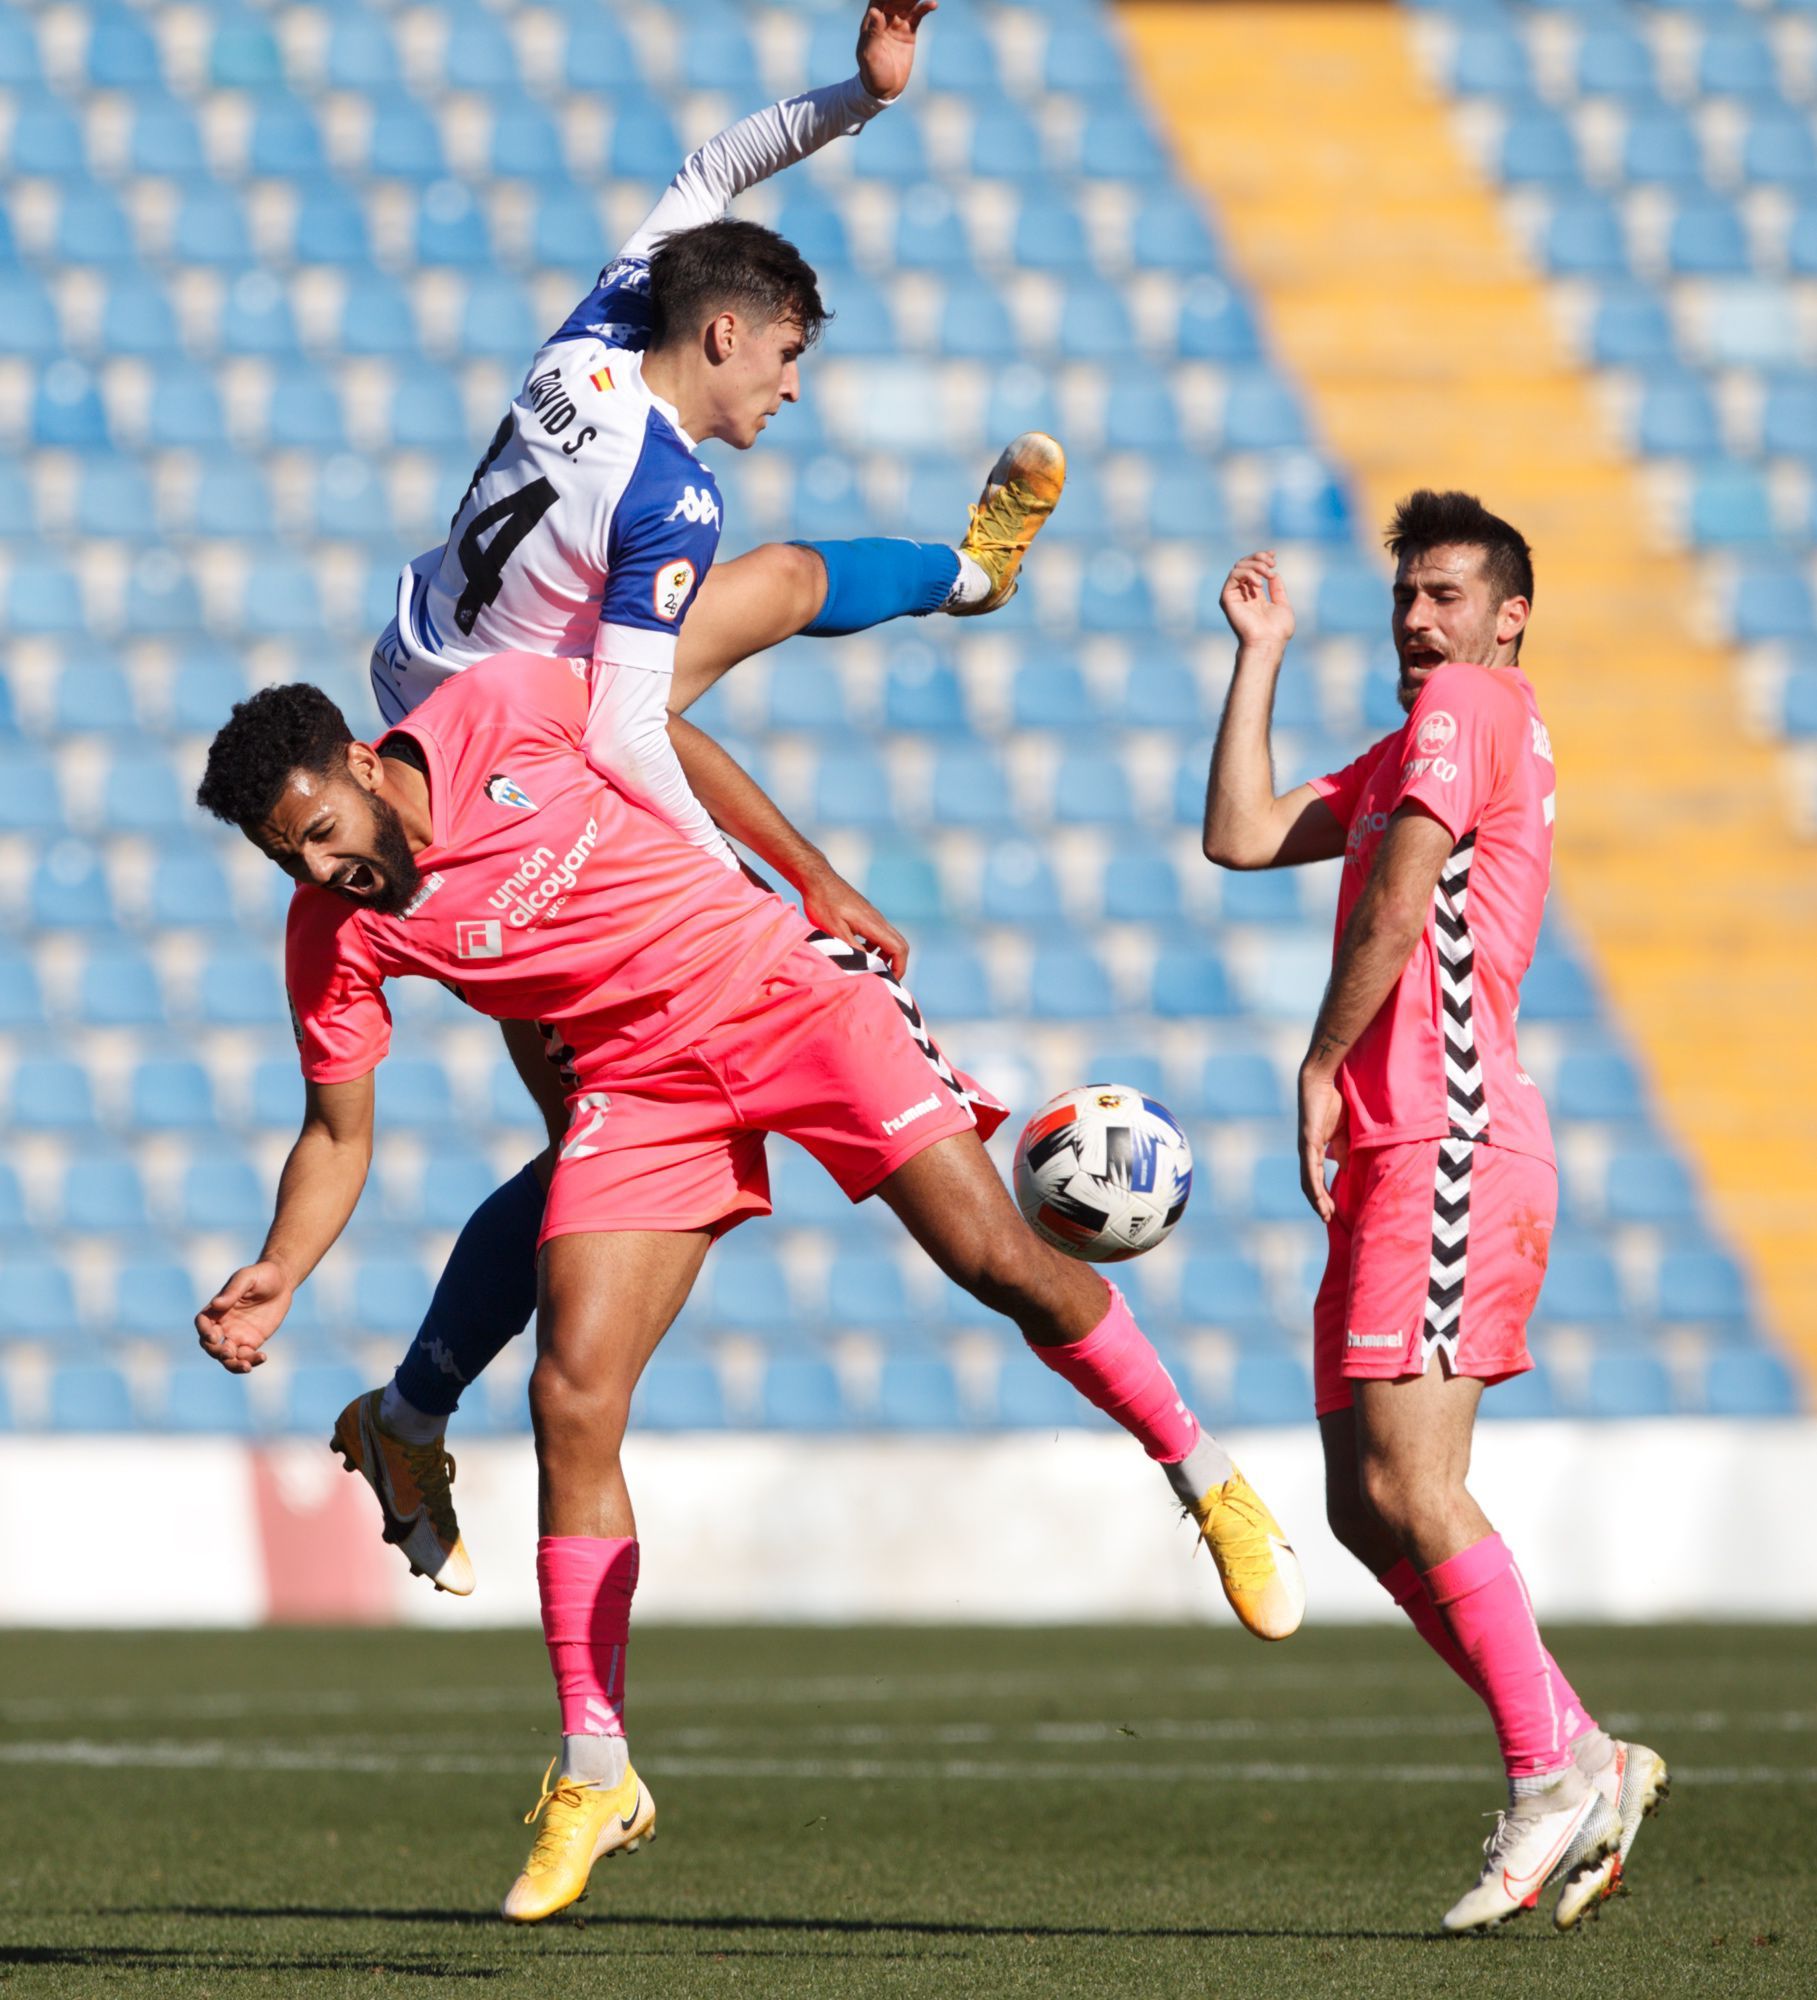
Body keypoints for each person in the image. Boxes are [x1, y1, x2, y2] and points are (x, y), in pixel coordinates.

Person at [192, 658, 1306, 1921]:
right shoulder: (334, 937)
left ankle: (1208, 1480)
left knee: (996, 1259)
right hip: (640, 1087)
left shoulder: (502, 704)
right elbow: (337, 1134)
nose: (324, 873)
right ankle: (597, 1771)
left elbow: (659, 729)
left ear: (358, 762)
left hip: (785, 989)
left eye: (325, 835)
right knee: (571, 1393)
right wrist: (282, 1265)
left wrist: (814, 872)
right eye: (291, 861)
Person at [335, 0, 1068, 1591]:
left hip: (480, 663)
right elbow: (625, 736)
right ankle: (409, 1409)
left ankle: (965, 575)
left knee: (794, 575)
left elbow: (718, 160)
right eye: (792, 356)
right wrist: (751, 902)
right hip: (491, 769)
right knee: (604, 1125)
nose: (794, 385)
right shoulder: (665, 489)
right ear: (729, 335)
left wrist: (858, 99)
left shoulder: (607, 324)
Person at [1202, 490, 1666, 1934]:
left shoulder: (1475, 704)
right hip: (1401, 1150)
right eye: (1407, 598)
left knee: (1414, 1478)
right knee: (1362, 1503)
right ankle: (1584, 1750)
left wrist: (1324, 1060)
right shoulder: (1419, 740)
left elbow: (1400, 890)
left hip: (1449, 1133)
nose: (1418, 623)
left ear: (1508, 615)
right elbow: (1240, 833)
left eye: (1446, 595)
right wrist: (1262, 650)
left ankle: (1546, 1770)